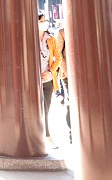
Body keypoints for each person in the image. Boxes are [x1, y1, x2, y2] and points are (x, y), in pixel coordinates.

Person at [38, 14, 61, 148]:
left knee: (46, 108)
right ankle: (46, 136)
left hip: (48, 79)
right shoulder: (30, 39)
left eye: (45, 20)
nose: (44, 23)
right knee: (41, 109)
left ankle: (45, 135)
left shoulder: (51, 39)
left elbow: (58, 57)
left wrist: (50, 71)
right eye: (41, 21)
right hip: (34, 80)